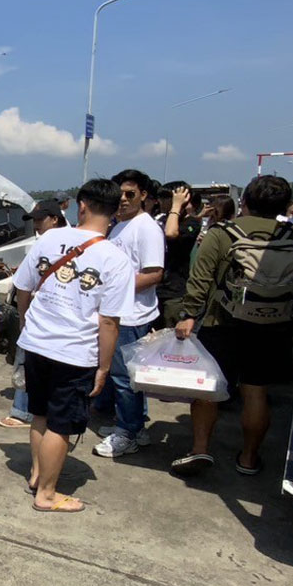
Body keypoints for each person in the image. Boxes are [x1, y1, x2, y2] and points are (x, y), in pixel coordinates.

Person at [172, 175, 293, 476]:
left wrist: (189, 314)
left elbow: (200, 279)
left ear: (245, 202)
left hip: (221, 322)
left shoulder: (222, 233)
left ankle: (200, 449)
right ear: (285, 206)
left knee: (208, 389)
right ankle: (249, 458)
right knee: (256, 392)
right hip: (273, 326)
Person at [10, 179, 134, 512]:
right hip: (74, 352)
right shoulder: (116, 258)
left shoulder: (50, 238)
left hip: (36, 343)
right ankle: (47, 494)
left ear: (82, 206)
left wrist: (25, 322)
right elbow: (109, 321)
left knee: (39, 413)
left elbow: (23, 286)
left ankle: (37, 474)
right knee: (60, 425)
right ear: (115, 211)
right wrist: (104, 367)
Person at [94, 169, 167, 459]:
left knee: (126, 379)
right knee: (119, 376)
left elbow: (154, 274)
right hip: (116, 312)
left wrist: (115, 288)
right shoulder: (120, 225)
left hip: (133, 315)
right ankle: (134, 426)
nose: (123, 200)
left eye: (130, 194)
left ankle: (128, 432)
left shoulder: (145, 227)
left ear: (143, 196)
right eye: (119, 194)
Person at [0, 200, 67, 429]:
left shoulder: (46, 243)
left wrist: (24, 316)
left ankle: (22, 411)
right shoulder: (70, 241)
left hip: (43, 314)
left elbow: (23, 287)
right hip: (59, 317)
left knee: (26, 362)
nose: (36, 225)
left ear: (55, 219)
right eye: (34, 220)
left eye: (40, 220)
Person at [155, 181, 203, 329]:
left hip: (175, 292)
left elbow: (171, 233)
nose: (161, 201)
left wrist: (176, 206)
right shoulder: (160, 220)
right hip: (156, 289)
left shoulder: (191, 223)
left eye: (166, 198)